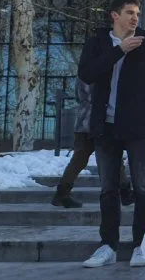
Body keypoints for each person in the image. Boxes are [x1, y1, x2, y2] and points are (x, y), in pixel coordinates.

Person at [78, 0, 145, 269]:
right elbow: (87, 74)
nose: (135, 18)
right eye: (129, 12)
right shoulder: (99, 43)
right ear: (114, 15)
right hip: (105, 127)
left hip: (139, 127)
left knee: (143, 189)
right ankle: (107, 246)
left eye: (137, 13)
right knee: (108, 190)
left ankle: (141, 246)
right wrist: (119, 50)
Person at [51, 79, 134, 209]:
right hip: (98, 122)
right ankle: (125, 191)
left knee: (79, 160)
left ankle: (62, 193)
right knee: (112, 156)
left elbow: (80, 97)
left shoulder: (83, 73)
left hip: (83, 121)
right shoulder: (99, 72)